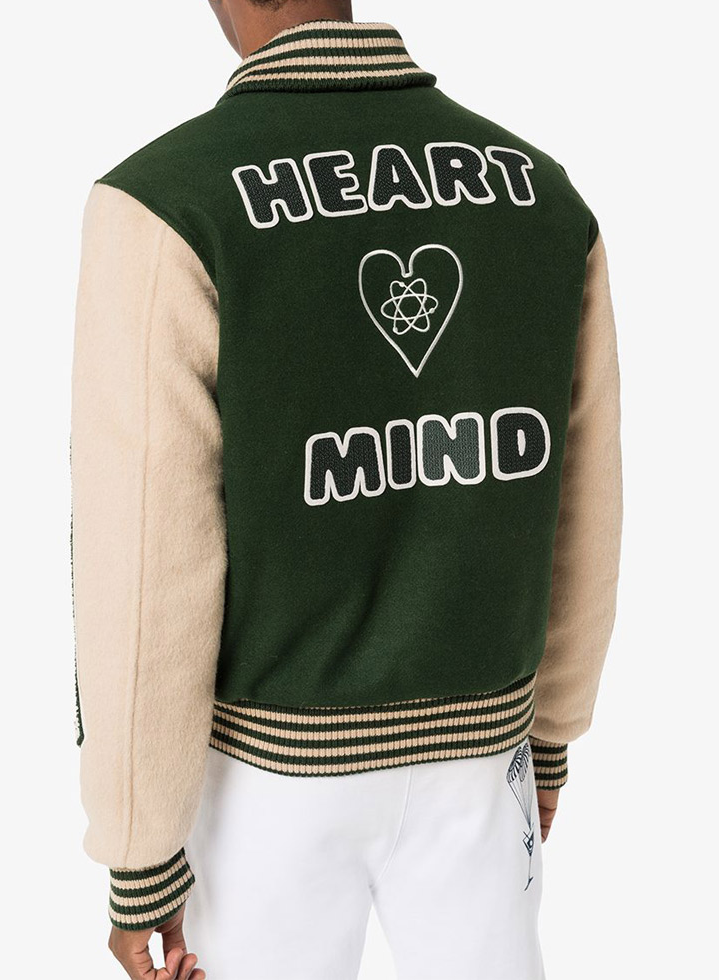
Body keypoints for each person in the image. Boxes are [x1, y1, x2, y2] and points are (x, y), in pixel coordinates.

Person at [70, 0, 623, 977]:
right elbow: (584, 493)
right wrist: (551, 734)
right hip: (479, 755)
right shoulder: (540, 196)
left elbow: (146, 552)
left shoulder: (165, 204)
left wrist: (141, 854)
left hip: (265, 779)